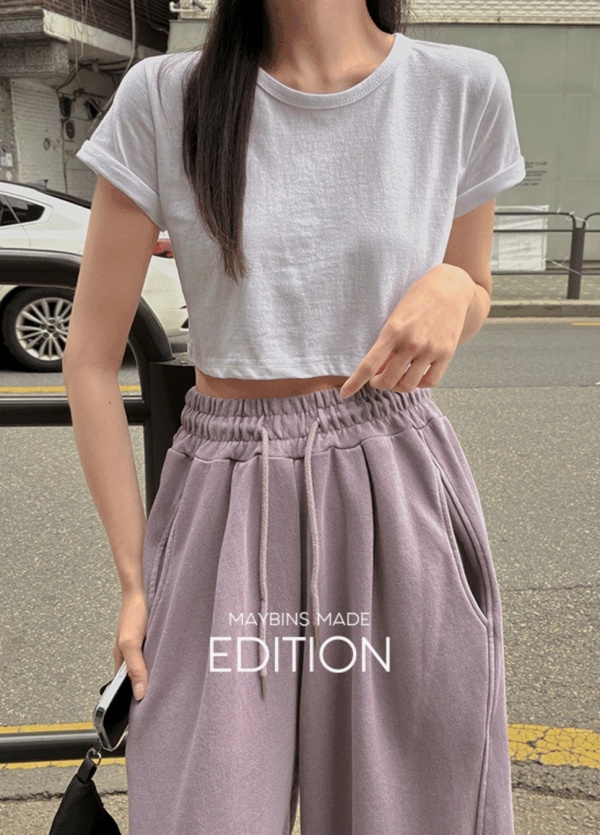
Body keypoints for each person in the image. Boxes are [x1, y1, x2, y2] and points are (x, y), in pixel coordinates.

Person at [66, 1, 526, 832]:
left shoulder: (460, 87)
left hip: (394, 482)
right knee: (206, 806)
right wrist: (135, 583)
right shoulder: (165, 96)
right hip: (225, 498)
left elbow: (475, 286)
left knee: (410, 810)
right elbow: (92, 356)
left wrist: (456, 288)